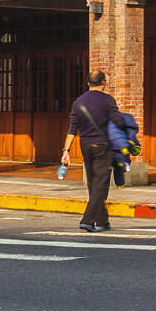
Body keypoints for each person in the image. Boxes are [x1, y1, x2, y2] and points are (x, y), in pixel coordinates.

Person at [60, 70, 121, 233]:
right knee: (101, 183)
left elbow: (72, 128)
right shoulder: (108, 100)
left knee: (94, 182)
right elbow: (117, 122)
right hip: (103, 144)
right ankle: (87, 220)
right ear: (104, 82)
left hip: (85, 145)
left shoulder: (78, 102)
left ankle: (102, 220)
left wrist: (66, 150)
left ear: (88, 83)